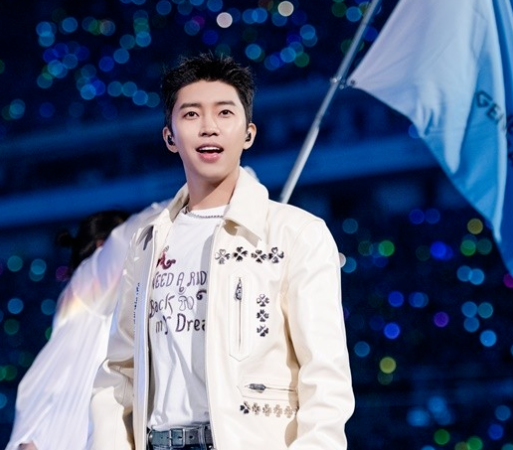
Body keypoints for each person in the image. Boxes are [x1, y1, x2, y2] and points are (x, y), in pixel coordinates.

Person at [89, 53, 355, 450]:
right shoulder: (147, 242)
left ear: (248, 133)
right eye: (191, 114)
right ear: (169, 136)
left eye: (225, 113)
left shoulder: (296, 234)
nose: (209, 127)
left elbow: (325, 375)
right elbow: (119, 372)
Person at [6, 204, 166, 450]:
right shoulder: (87, 286)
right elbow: (134, 235)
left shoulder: (97, 315)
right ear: (102, 247)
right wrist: (198, 198)